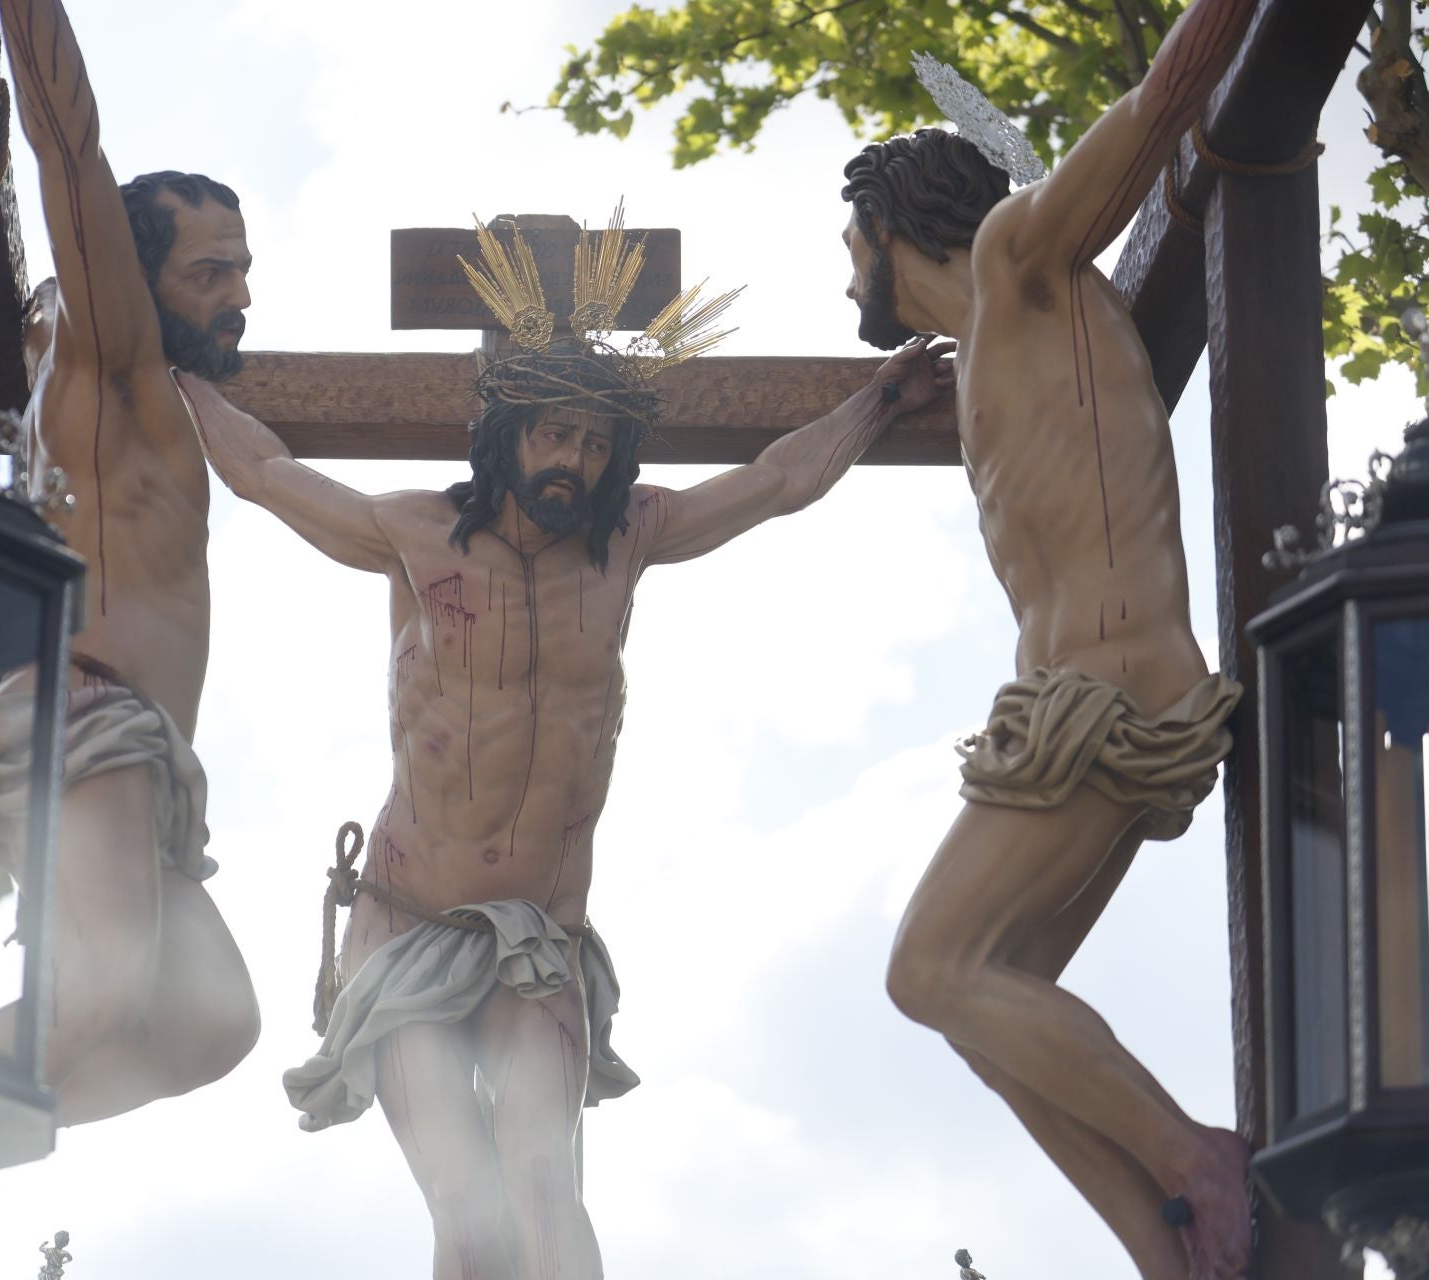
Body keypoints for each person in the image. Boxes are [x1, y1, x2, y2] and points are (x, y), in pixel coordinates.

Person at [175, 216, 951, 1278]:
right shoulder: (410, 534)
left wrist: (876, 401)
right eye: (552, 434)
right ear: (508, 433)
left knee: (543, 1183)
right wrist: (173, 376)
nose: (572, 460)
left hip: (540, 934)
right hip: (409, 919)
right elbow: (264, 472)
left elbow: (777, 479)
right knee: (466, 1198)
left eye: (592, 442)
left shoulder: (629, 537)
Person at [846, 5, 1260, 1277]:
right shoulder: (985, 346)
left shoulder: (1022, 257)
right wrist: (892, 396)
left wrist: (1227, 18)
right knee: (991, 999)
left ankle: (1202, 1158)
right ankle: (1169, 1244)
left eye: (844, 248)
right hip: (1069, 699)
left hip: (1109, 685)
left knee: (927, 966)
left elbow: (1142, 125)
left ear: (885, 231)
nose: (843, 276)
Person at [0, 0, 259, 1125]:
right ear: (132, 283)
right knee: (95, 992)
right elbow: (68, 147)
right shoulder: (113, 355)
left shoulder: (125, 379)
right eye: (213, 273)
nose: (240, 295)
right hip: (91, 710)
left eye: (242, 269)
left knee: (208, 1021)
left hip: (137, 749)